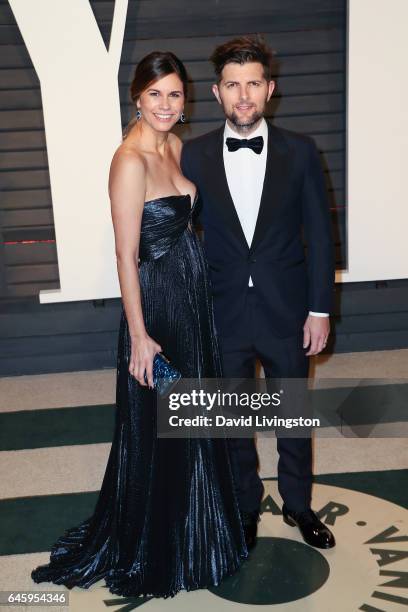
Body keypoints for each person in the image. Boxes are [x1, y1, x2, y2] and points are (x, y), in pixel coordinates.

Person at [31, 51, 247, 599]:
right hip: (157, 309)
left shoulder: (174, 147)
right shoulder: (127, 161)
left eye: (175, 95)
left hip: (192, 303)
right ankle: (160, 548)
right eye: (155, 94)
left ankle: (202, 533)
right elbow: (126, 257)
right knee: (161, 430)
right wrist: (139, 335)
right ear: (137, 97)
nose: (166, 105)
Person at [181, 36, 336, 550]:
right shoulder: (194, 154)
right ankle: (245, 506)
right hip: (222, 309)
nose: (242, 95)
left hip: (288, 308)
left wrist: (319, 309)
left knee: (292, 413)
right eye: (232, 85)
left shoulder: (301, 150)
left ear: (269, 89)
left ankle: (298, 505)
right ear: (216, 92)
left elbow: (319, 233)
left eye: (252, 84)